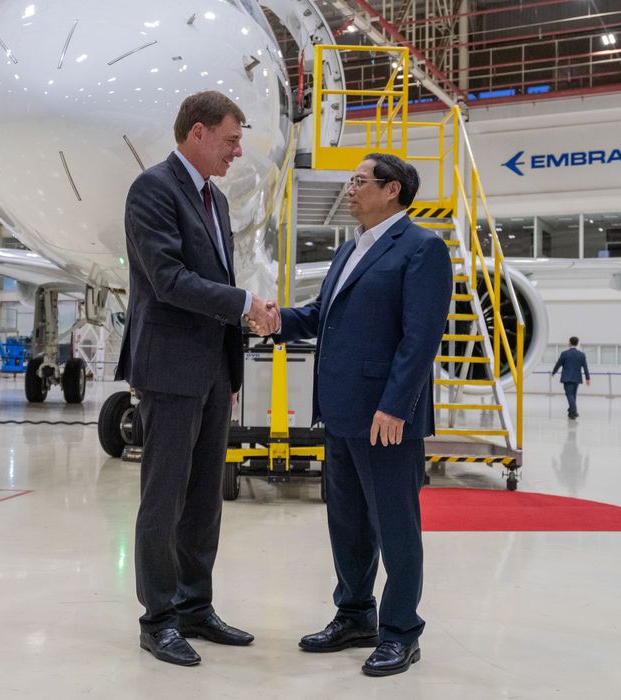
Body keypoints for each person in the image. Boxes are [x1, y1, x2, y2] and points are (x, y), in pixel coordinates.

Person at [253, 153, 451, 677]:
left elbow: (420, 339)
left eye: (359, 181)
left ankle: (401, 631)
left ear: (392, 190)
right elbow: (323, 316)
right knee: (348, 523)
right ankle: (355, 614)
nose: (350, 189)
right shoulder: (349, 250)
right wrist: (276, 321)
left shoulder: (422, 248)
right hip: (340, 412)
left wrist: (396, 406)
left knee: (395, 527)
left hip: (385, 416)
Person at [115, 90, 277, 667]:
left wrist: (236, 341)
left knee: (205, 497)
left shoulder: (216, 200)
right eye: (232, 139)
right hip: (169, 366)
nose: (237, 151)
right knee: (164, 498)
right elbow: (168, 279)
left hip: (212, 369)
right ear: (199, 133)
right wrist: (242, 303)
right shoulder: (154, 189)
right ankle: (158, 617)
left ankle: (194, 605)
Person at [551, 337, 590, 419]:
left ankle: (574, 411)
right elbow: (585, 367)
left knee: (569, 395)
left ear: (570, 343)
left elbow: (558, 364)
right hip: (577, 378)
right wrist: (587, 378)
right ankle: (571, 413)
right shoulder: (581, 355)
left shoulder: (565, 353)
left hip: (567, 378)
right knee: (573, 395)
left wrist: (554, 372)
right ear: (577, 343)